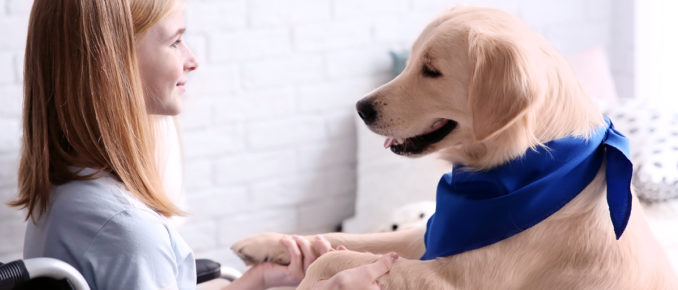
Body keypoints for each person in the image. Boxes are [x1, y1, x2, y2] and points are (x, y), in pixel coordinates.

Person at [9, 0, 395, 289]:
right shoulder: (126, 234)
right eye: (176, 42)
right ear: (113, 65)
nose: (192, 60)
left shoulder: (66, 196)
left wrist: (256, 281)